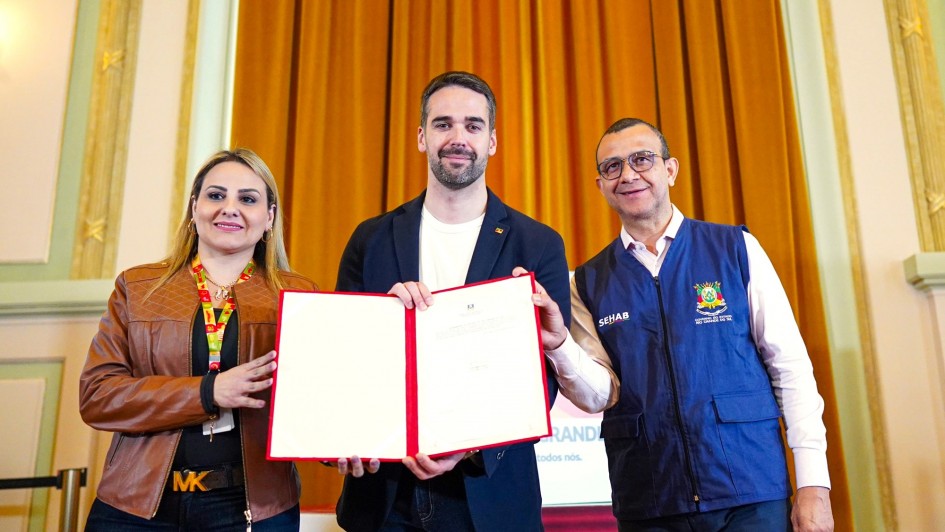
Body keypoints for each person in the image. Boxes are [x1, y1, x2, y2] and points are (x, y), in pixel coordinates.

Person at [527, 118, 834, 532]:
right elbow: (598, 396)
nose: (628, 175)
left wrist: (814, 483)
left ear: (669, 169)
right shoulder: (585, 282)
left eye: (642, 159)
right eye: (612, 166)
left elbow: (791, 368)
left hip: (751, 493)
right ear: (600, 184)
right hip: (650, 501)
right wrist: (559, 343)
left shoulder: (736, 249)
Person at [333, 71, 571, 531]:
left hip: (490, 496)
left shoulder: (538, 244)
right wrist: (382, 321)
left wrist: (472, 442)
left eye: (473, 126)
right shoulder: (371, 239)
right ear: (422, 137)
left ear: (492, 140)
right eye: (443, 124)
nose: (457, 138)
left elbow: (543, 377)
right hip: (385, 498)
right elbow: (346, 361)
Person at [79, 148, 316, 530]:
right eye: (216, 195)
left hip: (253, 510)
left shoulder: (300, 296)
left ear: (269, 217)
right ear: (194, 208)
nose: (230, 208)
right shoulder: (137, 288)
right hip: (135, 508)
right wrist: (209, 392)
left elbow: (318, 402)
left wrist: (348, 447)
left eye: (248, 199)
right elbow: (97, 397)